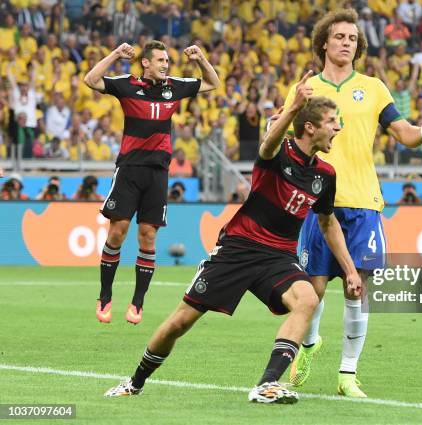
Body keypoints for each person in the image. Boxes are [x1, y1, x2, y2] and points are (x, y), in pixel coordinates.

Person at [103, 84, 360, 404]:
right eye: (332, 121)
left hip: (278, 255)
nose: (338, 127)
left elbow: (327, 222)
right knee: (181, 321)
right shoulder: (277, 154)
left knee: (307, 298)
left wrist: (350, 270)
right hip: (239, 248)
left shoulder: (326, 174)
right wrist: (293, 108)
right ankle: (134, 382)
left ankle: (267, 385)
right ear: (310, 127)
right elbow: (267, 146)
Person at [282, 9, 422, 397]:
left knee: (357, 289)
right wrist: (292, 106)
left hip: (362, 200)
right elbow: (282, 136)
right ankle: (309, 343)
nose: (346, 42)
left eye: (352, 38)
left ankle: (348, 375)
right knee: (312, 290)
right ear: (324, 42)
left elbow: (401, 131)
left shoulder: (373, 87)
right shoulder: (305, 88)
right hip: (316, 202)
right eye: (339, 36)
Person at [84, 40, 220, 325]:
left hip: (158, 173)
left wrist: (200, 58)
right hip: (129, 170)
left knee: (148, 236)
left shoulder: (175, 86)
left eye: (167, 60)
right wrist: (116, 54)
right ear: (145, 63)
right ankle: (105, 295)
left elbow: (213, 83)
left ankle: (137, 303)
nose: (165, 65)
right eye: (160, 60)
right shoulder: (127, 85)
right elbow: (91, 80)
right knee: (118, 232)